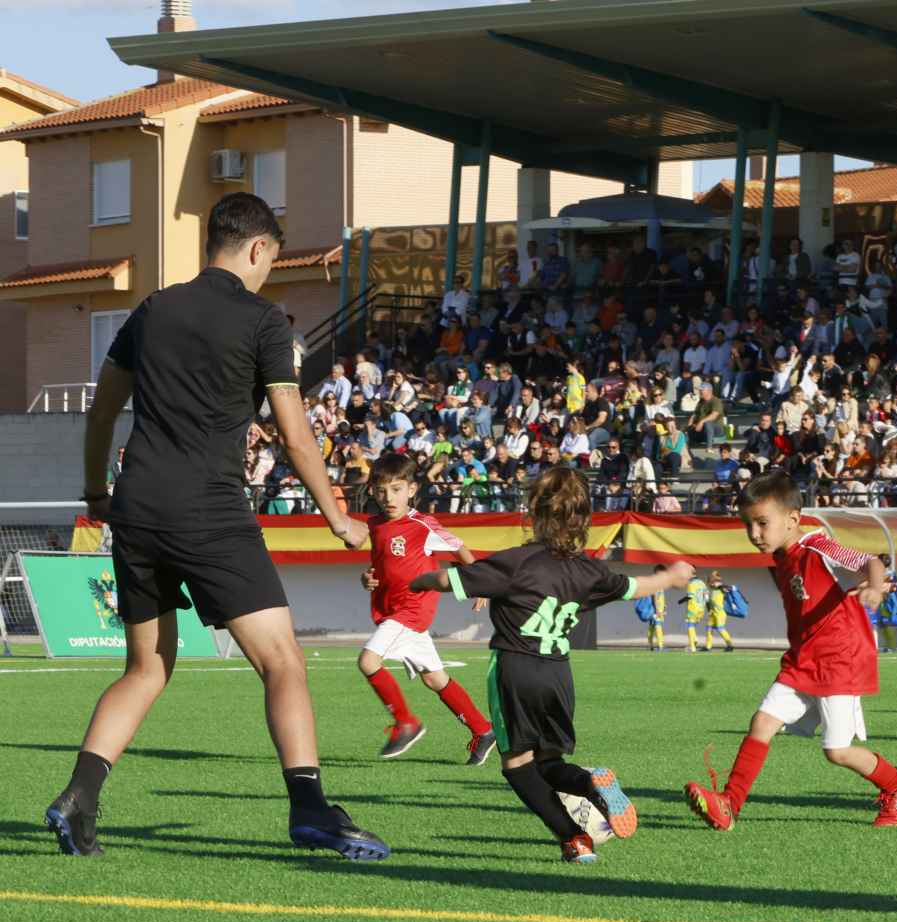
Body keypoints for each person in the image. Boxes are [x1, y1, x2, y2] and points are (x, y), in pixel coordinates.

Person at [47, 194, 386, 860]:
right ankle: (311, 808)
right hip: (208, 508)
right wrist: (338, 517)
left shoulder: (151, 309)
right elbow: (294, 435)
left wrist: (96, 492)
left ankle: (79, 795)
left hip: (137, 506)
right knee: (282, 659)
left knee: (145, 668)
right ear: (258, 249)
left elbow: (101, 412)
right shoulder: (262, 320)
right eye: (271, 261)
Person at [411, 468, 690, 861]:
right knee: (548, 761)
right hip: (558, 673)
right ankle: (588, 783)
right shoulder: (589, 571)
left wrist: (415, 582)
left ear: (535, 513)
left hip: (515, 668)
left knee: (516, 765)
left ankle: (572, 838)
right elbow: (633, 588)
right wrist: (672, 576)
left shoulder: (517, 562)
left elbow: (447, 580)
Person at [685, 471, 897, 830]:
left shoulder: (817, 546)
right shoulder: (782, 557)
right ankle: (730, 804)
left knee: (836, 751)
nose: (754, 533)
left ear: (793, 519)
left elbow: (870, 560)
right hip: (804, 658)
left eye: (762, 523)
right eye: (748, 525)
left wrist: (873, 587)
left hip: (840, 659)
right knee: (762, 723)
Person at [355, 453, 495, 764]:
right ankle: (483, 730)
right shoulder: (375, 524)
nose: (388, 497)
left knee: (368, 661)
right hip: (393, 610)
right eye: (381, 491)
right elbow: (380, 565)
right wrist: (367, 579)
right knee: (435, 678)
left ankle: (406, 722)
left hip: (411, 611)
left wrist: (479, 582)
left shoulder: (423, 524)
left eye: (396, 489)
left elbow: (459, 547)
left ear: (412, 489)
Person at [876, 562, 897, 655]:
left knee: (890, 632)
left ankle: (892, 647)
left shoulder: (891, 591)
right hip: (882, 614)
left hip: (889, 615)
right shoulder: (883, 588)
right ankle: (887, 646)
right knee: (884, 632)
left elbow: (895, 604)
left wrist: (893, 615)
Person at [639, 564, 669, 652]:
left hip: (658, 609)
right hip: (656, 610)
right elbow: (655, 597)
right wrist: (657, 610)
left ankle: (650, 645)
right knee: (658, 626)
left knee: (652, 627)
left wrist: (664, 605)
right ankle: (660, 646)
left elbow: (660, 596)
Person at [705, 570, 736, 653]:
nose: (711, 584)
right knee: (708, 628)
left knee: (720, 628)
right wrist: (707, 600)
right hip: (712, 613)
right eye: (710, 583)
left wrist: (720, 585)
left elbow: (730, 588)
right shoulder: (712, 591)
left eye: (712, 582)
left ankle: (730, 645)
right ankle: (708, 647)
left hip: (720, 613)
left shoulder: (721, 588)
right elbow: (710, 603)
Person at [682, 573, 710, 653]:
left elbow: (690, 596)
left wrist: (680, 601)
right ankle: (694, 639)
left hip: (693, 608)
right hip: (701, 609)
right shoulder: (702, 583)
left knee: (690, 625)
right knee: (693, 625)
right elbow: (707, 597)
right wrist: (707, 608)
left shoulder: (691, 584)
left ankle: (693, 647)